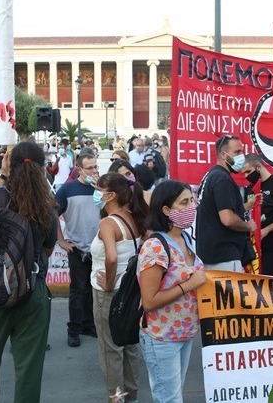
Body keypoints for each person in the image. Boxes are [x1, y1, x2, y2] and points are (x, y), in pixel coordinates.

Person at [0, 141, 57, 403]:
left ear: (8, 163)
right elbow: (48, 249)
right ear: (42, 169)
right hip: (32, 291)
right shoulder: (47, 207)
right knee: (29, 370)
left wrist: (4, 173)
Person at [137, 180, 207, 403]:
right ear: (166, 210)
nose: (191, 207)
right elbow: (149, 301)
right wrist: (189, 285)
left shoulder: (185, 237)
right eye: (184, 202)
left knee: (173, 395)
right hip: (162, 336)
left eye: (192, 200)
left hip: (184, 332)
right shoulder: (155, 247)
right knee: (170, 399)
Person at [90, 172, 148, 402]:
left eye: (98, 189)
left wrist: (109, 283)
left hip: (110, 292)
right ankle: (131, 394)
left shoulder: (108, 222)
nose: (95, 193)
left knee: (110, 349)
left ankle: (116, 398)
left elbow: (111, 258)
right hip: (131, 292)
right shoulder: (133, 218)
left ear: (111, 195)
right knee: (129, 344)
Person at [56, 153, 101, 347]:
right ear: (79, 170)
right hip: (77, 248)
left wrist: (101, 189)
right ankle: (73, 329)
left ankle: (88, 325)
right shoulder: (67, 189)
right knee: (77, 291)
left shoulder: (101, 188)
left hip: (98, 249)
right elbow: (52, 215)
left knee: (93, 290)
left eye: (95, 167)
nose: (94, 171)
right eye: (89, 168)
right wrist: (61, 241)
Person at [196, 135, 256, 271]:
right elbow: (228, 219)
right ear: (224, 155)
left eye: (242, 151)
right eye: (237, 152)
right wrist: (247, 226)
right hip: (224, 257)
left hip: (213, 255)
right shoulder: (222, 179)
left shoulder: (212, 175)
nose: (242, 156)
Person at [241, 154, 273, 276]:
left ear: (258, 166)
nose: (246, 176)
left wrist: (267, 230)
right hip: (253, 249)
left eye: (248, 171)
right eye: (244, 173)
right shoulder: (249, 188)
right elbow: (243, 213)